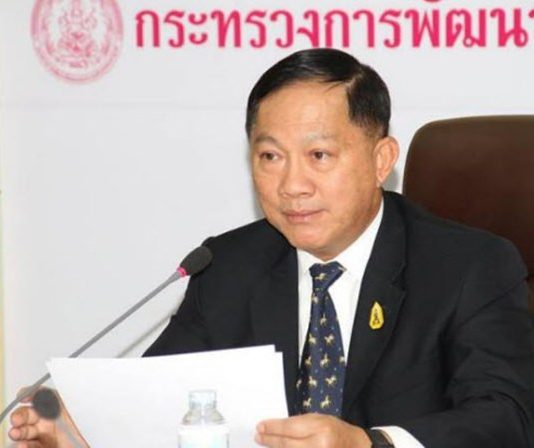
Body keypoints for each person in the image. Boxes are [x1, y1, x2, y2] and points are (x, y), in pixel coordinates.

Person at [9, 48, 534, 448]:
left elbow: (508, 418)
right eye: (270, 157)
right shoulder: (227, 266)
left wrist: (369, 444)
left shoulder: (467, 267)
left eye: (319, 155)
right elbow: (161, 404)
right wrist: (86, 433)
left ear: (381, 160)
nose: (292, 186)